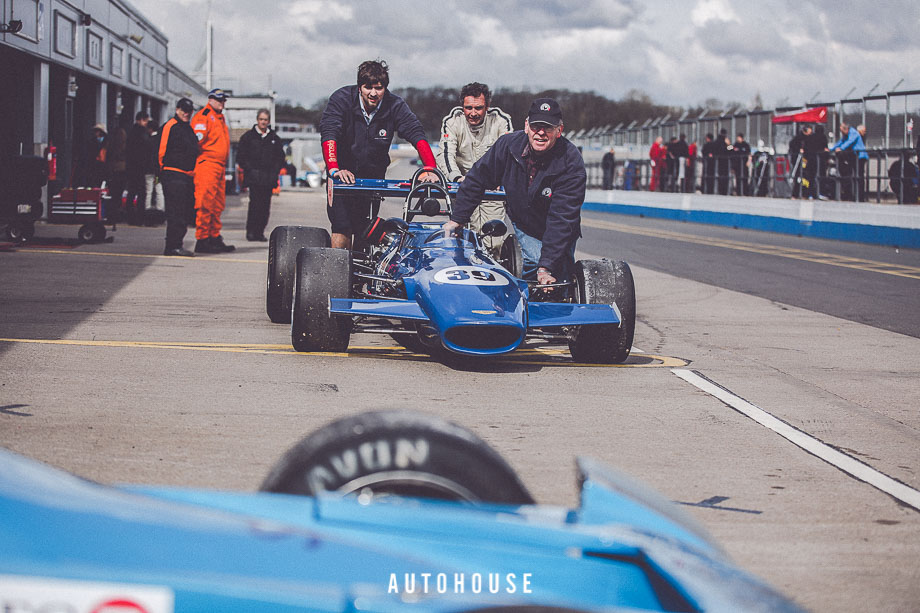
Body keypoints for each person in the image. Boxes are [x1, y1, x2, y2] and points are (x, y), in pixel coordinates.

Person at [442, 97, 586, 289]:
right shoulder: (508, 146)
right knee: (534, 262)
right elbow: (476, 179)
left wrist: (547, 267)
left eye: (548, 128)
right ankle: (526, 299)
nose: (541, 133)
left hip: (560, 225)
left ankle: (560, 305)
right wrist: (457, 219)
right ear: (527, 126)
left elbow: (562, 217)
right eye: (536, 126)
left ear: (559, 130)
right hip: (525, 221)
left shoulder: (570, 161)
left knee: (559, 273)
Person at [320, 59, 437, 250]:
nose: (373, 93)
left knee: (365, 228)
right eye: (368, 87)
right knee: (342, 226)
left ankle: (361, 274)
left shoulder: (395, 104)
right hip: (342, 173)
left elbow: (416, 134)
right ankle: (339, 273)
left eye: (379, 88)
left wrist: (430, 167)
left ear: (385, 88)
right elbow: (329, 133)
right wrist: (334, 168)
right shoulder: (341, 99)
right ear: (360, 87)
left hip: (372, 175)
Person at [436, 82, 513, 253]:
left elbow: (509, 154)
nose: (472, 113)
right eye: (468, 107)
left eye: (478, 108)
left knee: (494, 242)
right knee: (459, 237)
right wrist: (456, 177)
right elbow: (445, 154)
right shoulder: (452, 121)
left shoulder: (501, 121)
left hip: (491, 189)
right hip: (462, 187)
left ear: (487, 106)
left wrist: (501, 179)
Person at [192, 88, 234, 253]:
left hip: (219, 166)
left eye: (224, 100)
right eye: (219, 100)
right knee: (205, 203)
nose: (222, 103)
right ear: (210, 100)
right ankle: (202, 239)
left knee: (217, 204)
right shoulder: (203, 117)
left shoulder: (220, 117)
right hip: (207, 164)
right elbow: (197, 142)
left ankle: (214, 236)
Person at [237, 108, 286, 241]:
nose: (263, 122)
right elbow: (241, 156)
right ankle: (251, 232)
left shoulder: (274, 138)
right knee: (254, 205)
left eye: (265, 120)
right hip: (254, 178)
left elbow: (280, 158)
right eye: (261, 119)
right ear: (257, 120)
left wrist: (274, 172)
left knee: (265, 207)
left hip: (268, 179)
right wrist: (250, 170)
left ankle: (260, 232)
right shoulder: (248, 137)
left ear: (268, 121)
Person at [158, 98, 199, 257]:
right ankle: (172, 246)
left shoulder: (188, 129)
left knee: (184, 212)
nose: (186, 113)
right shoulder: (170, 127)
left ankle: (177, 244)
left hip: (186, 176)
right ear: (177, 109)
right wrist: (162, 172)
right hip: (173, 174)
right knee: (175, 212)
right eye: (183, 110)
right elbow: (160, 151)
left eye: (189, 111)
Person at [125, 111, 150, 223]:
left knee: (132, 192)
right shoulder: (142, 133)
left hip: (131, 166)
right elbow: (146, 148)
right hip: (140, 167)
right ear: (140, 120)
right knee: (141, 192)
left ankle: (129, 215)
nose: (146, 123)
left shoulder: (131, 132)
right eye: (145, 121)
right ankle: (140, 216)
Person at [832, 123, 868, 201]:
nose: (842, 134)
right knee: (855, 176)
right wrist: (832, 149)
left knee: (859, 176)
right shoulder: (847, 135)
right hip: (855, 156)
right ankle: (854, 195)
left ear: (846, 129)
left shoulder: (854, 133)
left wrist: (841, 148)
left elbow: (850, 142)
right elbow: (841, 142)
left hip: (860, 156)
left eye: (842, 131)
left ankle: (860, 197)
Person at [143, 121, 165, 224]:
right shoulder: (160, 141)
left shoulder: (147, 141)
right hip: (157, 171)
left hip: (148, 170)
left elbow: (146, 156)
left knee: (149, 190)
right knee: (158, 189)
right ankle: (160, 208)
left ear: (150, 129)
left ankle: (147, 209)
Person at [788, 125, 808, 198]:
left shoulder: (803, 138)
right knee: (799, 176)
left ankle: (803, 193)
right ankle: (798, 193)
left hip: (803, 160)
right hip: (799, 160)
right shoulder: (799, 138)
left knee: (803, 177)